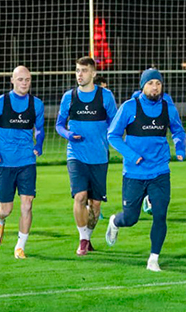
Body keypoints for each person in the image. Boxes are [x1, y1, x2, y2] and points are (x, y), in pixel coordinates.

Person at [105, 68, 186, 271]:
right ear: (143, 86)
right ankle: (115, 222)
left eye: (158, 83)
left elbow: (178, 130)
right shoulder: (129, 107)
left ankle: (153, 259)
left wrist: (180, 147)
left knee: (160, 215)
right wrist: (132, 156)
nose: (155, 87)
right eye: (150, 83)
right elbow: (112, 135)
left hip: (160, 171)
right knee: (130, 218)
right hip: (134, 173)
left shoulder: (168, 108)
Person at [56, 57, 117, 256]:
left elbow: (114, 123)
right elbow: (59, 125)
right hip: (76, 155)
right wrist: (68, 134)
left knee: (95, 205)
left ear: (93, 73)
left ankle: (88, 237)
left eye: (83, 70)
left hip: (99, 156)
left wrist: (109, 136)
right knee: (80, 196)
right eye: (77, 71)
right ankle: (82, 239)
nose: (79, 75)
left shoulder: (106, 96)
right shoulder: (69, 97)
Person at [0, 66, 45, 259]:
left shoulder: (37, 104)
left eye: (27, 79)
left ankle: (20, 246)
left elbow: (39, 129)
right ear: (12, 80)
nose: (24, 83)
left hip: (27, 161)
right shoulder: (0, 102)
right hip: (5, 163)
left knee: (27, 205)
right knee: (6, 209)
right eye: (20, 79)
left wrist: (39, 143)